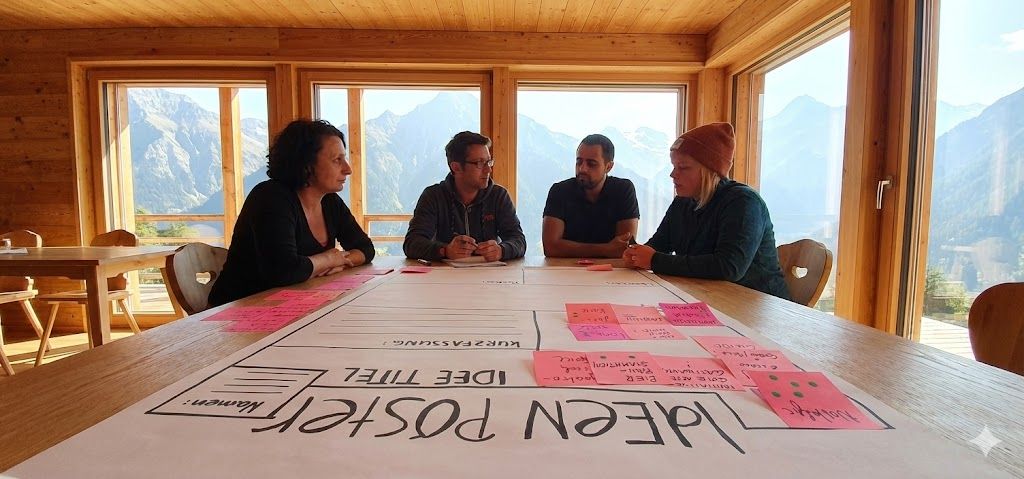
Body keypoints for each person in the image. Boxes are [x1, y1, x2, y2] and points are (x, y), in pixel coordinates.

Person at [209, 119, 374, 306]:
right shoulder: (271, 197)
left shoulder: (330, 201)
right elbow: (284, 271)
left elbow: (366, 248)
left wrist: (339, 261)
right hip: (240, 310)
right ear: (306, 164)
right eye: (337, 160)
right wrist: (328, 259)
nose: (348, 169)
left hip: (290, 305)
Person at [622, 122, 790, 300]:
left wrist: (654, 260)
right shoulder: (683, 201)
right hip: (711, 298)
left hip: (758, 305)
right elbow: (659, 243)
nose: (673, 174)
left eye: (683, 167)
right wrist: (636, 254)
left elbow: (729, 267)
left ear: (709, 170)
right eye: (673, 166)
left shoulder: (743, 202)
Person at [403, 131, 526, 262]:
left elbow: (519, 240)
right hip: (445, 274)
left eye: (489, 162)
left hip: (489, 273)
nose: (488, 170)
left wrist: (502, 250)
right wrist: (445, 250)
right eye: (480, 163)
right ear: (456, 167)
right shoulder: (433, 196)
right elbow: (412, 243)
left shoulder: (498, 196)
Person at [542, 134, 639, 258]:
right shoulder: (560, 191)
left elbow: (623, 248)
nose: (582, 169)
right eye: (579, 162)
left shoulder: (623, 190)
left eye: (591, 164)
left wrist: (570, 248)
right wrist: (605, 249)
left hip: (610, 269)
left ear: (608, 167)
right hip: (566, 268)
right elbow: (550, 248)